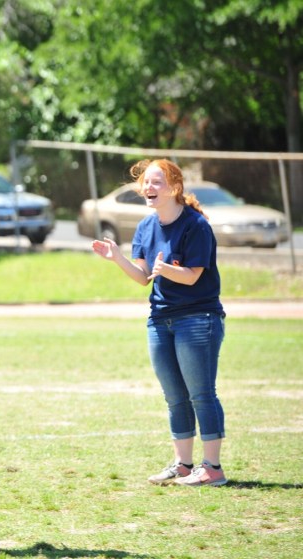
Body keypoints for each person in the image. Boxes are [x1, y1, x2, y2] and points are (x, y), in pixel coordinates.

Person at [91, 159, 227, 487]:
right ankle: (183, 465)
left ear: (174, 188)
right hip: (160, 319)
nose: (148, 188)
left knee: (201, 393)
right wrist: (117, 258)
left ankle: (212, 468)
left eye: (156, 182)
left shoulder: (196, 225)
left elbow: (193, 277)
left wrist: (166, 270)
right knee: (174, 396)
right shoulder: (145, 227)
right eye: (146, 183)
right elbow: (143, 278)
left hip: (197, 318)